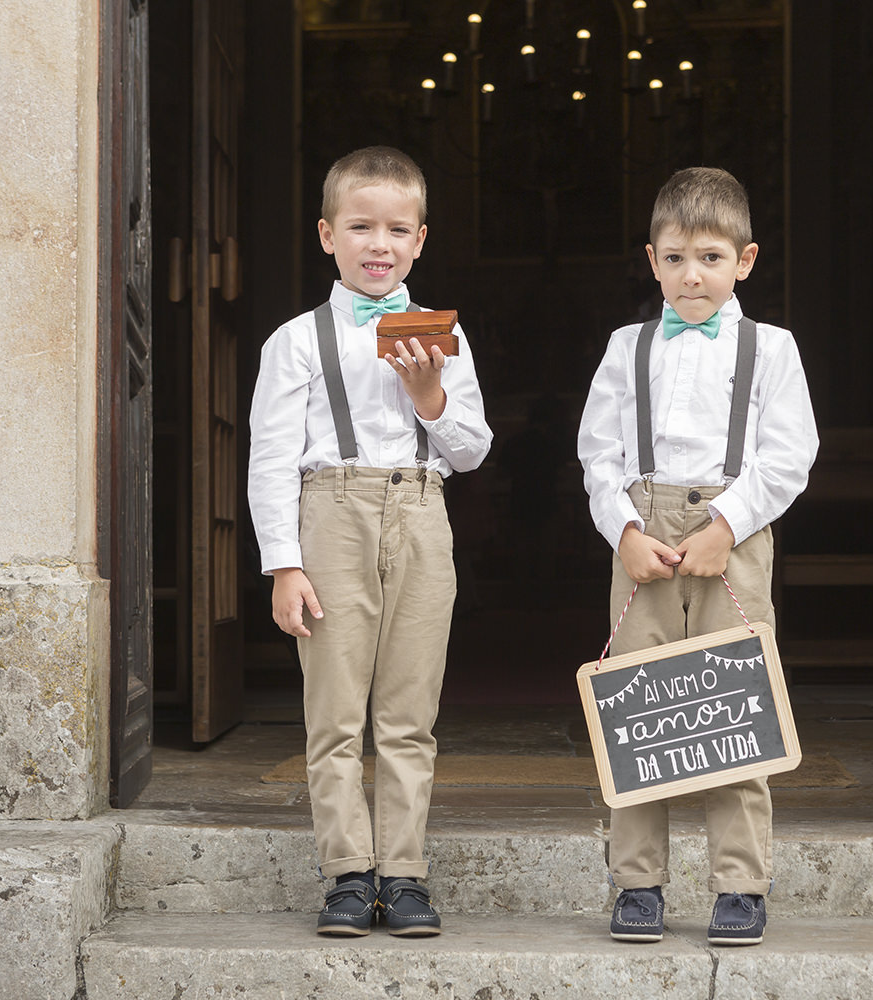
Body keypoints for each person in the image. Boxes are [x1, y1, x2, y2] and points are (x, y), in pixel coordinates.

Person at [247, 146, 492, 937]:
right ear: (327, 235)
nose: (377, 244)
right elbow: (272, 458)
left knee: (408, 712)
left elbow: (472, 449)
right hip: (331, 516)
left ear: (420, 239)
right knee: (335, 709)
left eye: (396, 229)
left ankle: (406, 872)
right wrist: (283, 563)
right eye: (360, 227)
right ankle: (349, 873)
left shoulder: (443, 334)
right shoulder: (294, 341)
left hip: (421, 512)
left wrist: (430, 396)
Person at [577, 167, 818, 946]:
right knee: (641, 712)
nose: (693, 275)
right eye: (676, 258)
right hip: (642, 534)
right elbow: (597, 453)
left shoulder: (771, 348)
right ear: (652, 260)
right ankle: (637, 882)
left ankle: (740, 884)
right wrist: (623, 529)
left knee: (734, 711)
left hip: (732, 536)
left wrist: (727, 525)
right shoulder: (626, 346)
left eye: (710, 258)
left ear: (744, 261)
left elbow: (789, 455)